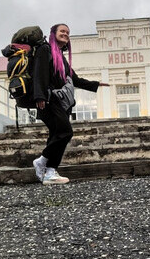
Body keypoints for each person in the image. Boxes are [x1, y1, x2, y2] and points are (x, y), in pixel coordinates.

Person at [32, 23, 109, 185]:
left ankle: (50, 172)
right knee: (66, 132)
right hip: (48, 99)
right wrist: (39, 96)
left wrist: (95, 84)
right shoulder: (45, 50)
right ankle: (42, 161)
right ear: (53, 33)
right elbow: (39, 73)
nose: (66, 34)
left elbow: (75, 79)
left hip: (60, 102)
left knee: (56, 134)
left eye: (68, 32)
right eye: (62, 31)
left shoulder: (61, 57)